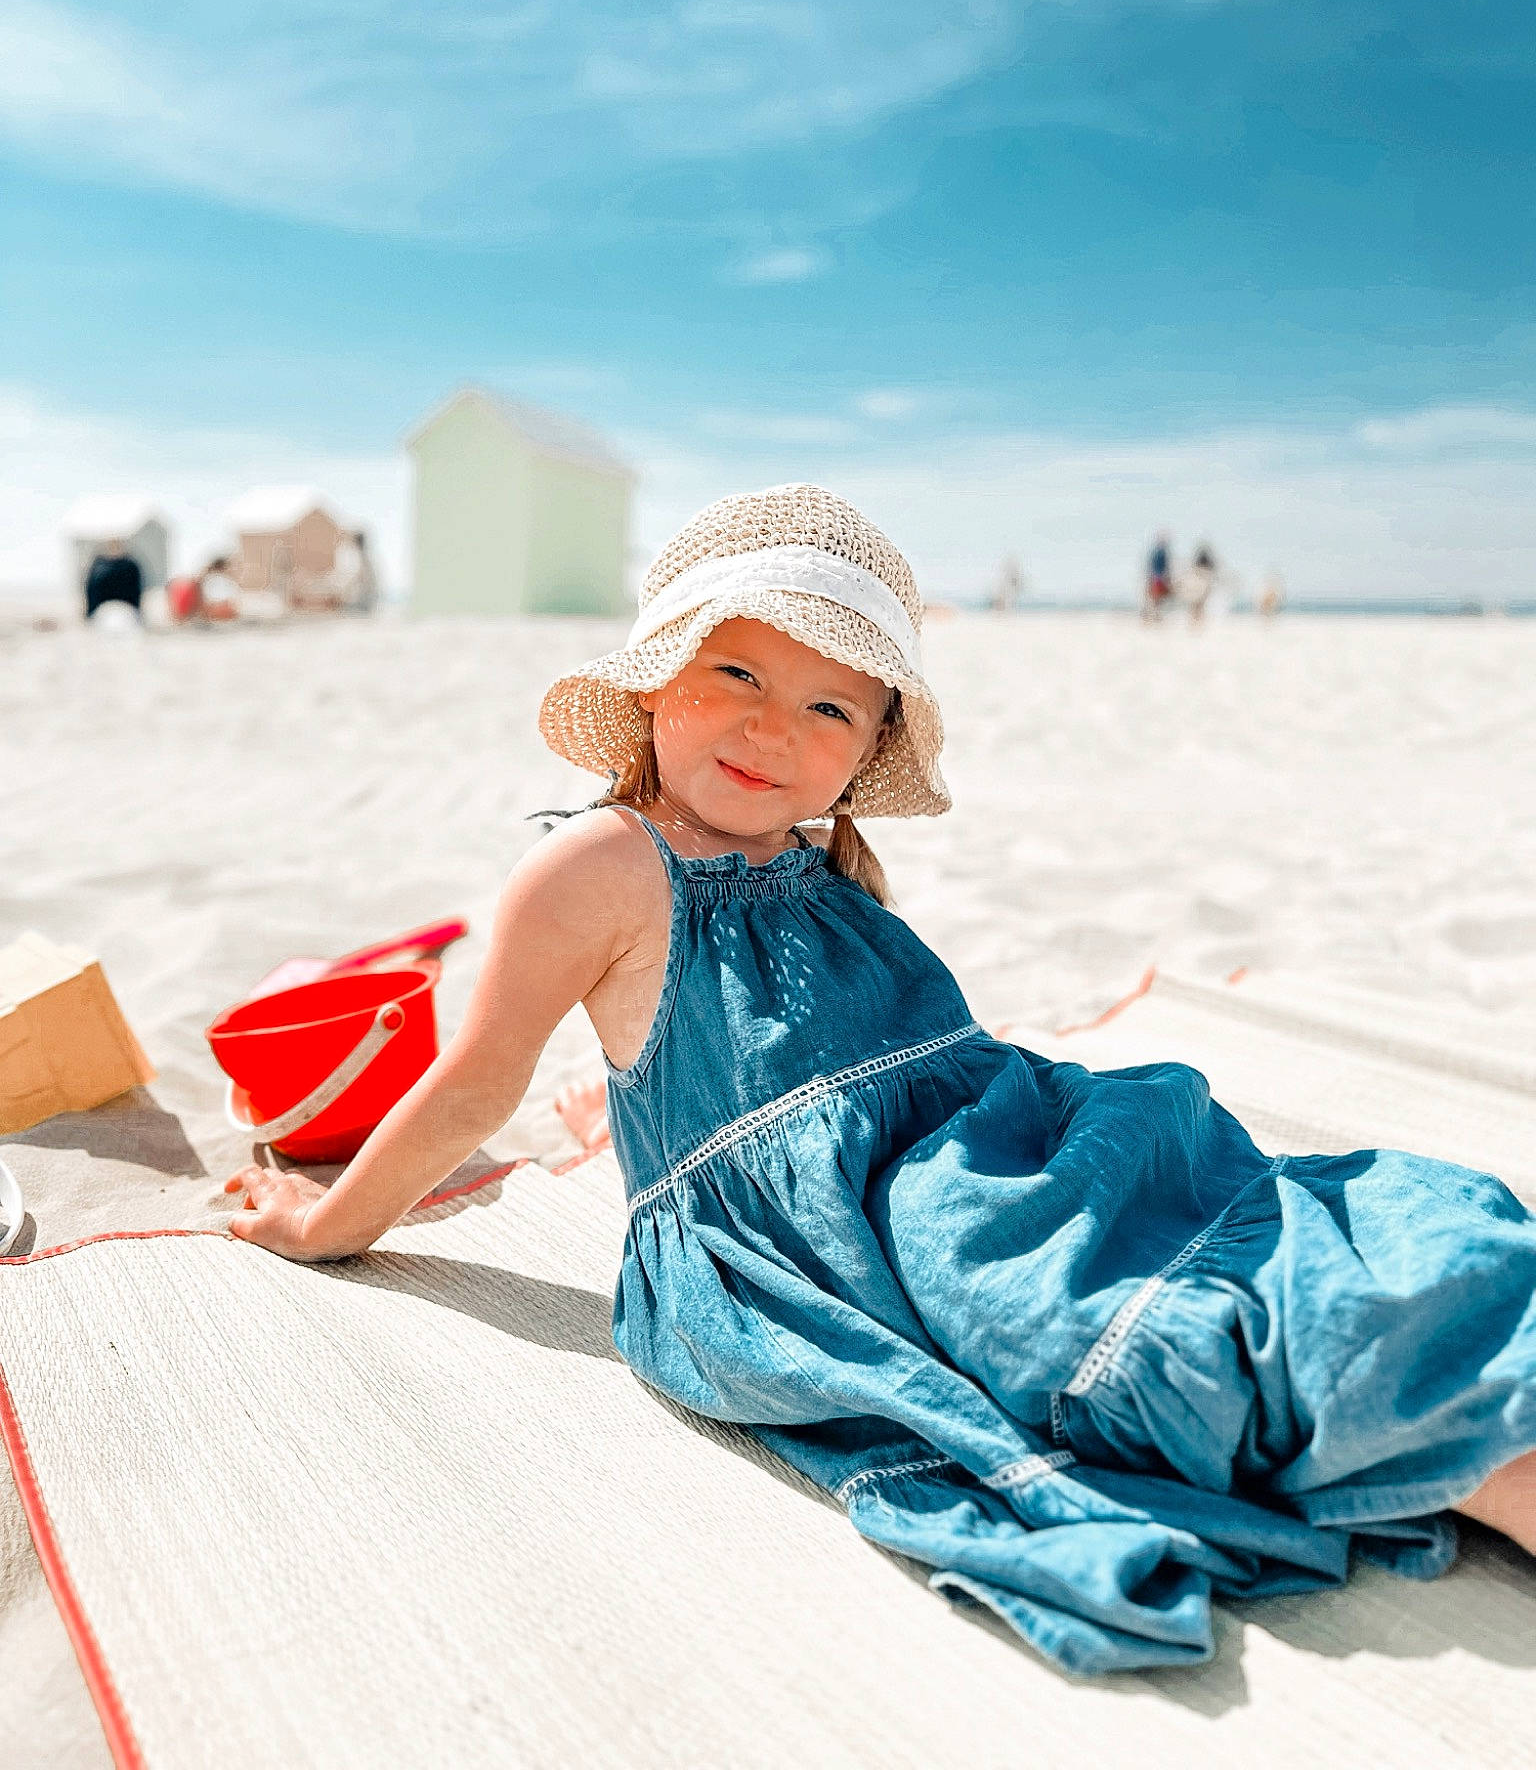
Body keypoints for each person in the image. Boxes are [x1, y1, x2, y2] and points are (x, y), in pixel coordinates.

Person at [227, 485, 1536, 1676]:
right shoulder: (596, 865)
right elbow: (472, 1088)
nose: (768, 725)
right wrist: (325, 1223)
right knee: (1157, 1311)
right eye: (735, 669)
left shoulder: (821, 856)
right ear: (650, 683)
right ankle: (1493, 1456)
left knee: (1237, 1195)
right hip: (852, 1226)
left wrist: (621, 1113)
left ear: (865, 749)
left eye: (827, 706)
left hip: (965, 1134)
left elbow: (756, 1056)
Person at [83, 539, 143, 620]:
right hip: (104, 612)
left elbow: (136, 591)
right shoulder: (98, 567)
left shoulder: (130, 566)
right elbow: (92, 592)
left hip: (126, 611)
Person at [1184, 540, 1219, 625]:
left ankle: (1196, 620)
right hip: (1202, 584)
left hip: (1198, 584)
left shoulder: (1199, 559)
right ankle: (1197, 619)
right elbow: (1212, 568)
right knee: (1199, 603)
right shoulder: (1206, 560)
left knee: (1196, 603)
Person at [1142, 532, 1173, 620]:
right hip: (1158, 576)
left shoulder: (1160, 551)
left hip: (1157, 575)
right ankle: (1153, 615)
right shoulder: (1160, 552)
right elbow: (1158, 565)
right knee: (1156, 598)